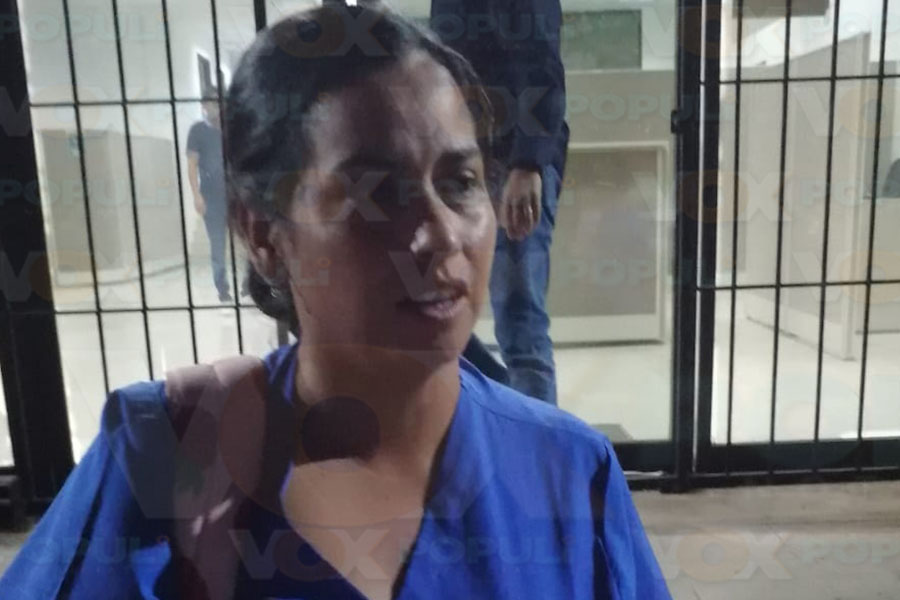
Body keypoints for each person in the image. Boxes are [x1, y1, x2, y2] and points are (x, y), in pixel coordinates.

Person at [0, 5, 669, 599]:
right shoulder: (164, 454)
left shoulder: (570, 475)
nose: (439, 234)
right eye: (376, 193)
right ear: (264, 235)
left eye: (460, 181)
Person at [430, 0, 569, 405]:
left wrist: (527, 165)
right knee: (435, 304)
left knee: (520, 322)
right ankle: (507, 405)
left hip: (510, 165)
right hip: (465, 159)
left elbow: (541, 65)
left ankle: (533, 438)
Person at [187, 95, 233, 302]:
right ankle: (222, 288)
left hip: (234, 194)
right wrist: (196, 195)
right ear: (204, 106)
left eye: (218, 103)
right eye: (211, 104)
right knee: (217, 243)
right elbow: (192, 165)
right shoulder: (197, 131)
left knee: (247, 239)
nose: (216, 107)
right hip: (211, 196)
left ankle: (249, 284)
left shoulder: (230, 130)